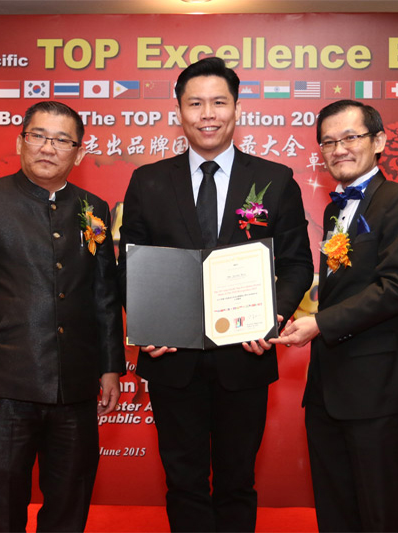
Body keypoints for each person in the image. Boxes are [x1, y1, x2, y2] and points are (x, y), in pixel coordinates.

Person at [117, 57, 313, 532]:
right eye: (196, 103)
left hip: (244, 356)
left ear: (237, 109)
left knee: (236, 481)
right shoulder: (148, 180)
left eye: (219, 103)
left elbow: (297, 265)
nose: (208, 114)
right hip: (171, 358)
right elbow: (129, 265)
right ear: (179, 112)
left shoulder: (275, 180)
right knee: (183, 481)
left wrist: (270, 317)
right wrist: (146, 323)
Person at [0, 101, 125, 532]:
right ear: (20, 142)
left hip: (75, 388)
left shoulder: (94, 207)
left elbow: (103, 295)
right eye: (38, 136)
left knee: (70, 503)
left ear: (79, 153)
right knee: (4, 505)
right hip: (4, 388)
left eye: (62, 140)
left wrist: (110, 368)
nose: (48, 147)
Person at [272, 100, 398, 532]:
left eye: (350, 138)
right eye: (328, 142)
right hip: (328, 389)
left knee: (381, 512)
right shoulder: (333, 210)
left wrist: (320, 324)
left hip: (376, 390)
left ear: (378, 141)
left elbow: (397, 287)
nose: (338, 149)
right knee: (336, 510)